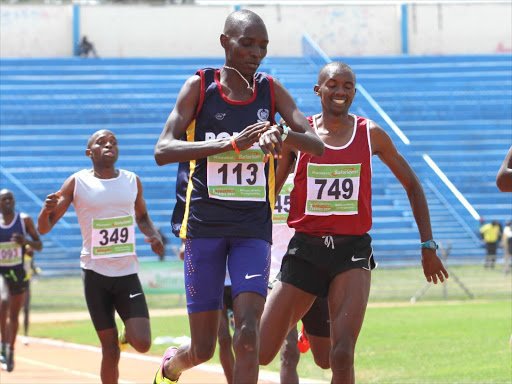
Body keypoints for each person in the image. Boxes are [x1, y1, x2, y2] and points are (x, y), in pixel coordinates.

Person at [152, 9, 324, 384]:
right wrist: (229, 143)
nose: (255, 52)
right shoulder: (199, 88)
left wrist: (280, 134)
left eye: (262, 46)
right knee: (203, 348)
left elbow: (316, 144)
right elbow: (162, 150)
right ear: (224, 42)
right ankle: (170, 366)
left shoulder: (271, 90)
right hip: (205, 227)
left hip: (251, 229)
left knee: (248, 335)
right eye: (247, 43)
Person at [259, 61, 449, 384]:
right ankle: (303, 321)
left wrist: (428, 245)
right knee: (261, 352)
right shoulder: (297, 135)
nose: (340, 91)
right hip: (305, 250)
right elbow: (269, 195)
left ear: (354, 93)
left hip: (351, 252)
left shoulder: (369, 133)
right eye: (332, 84)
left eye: (348, 86)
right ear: (318, 90)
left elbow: (413, 185)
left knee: (341, 355)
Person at [37, 130, 164, 384]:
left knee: (143, 343)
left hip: (126, 273)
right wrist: (45, 209)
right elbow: (44, 227)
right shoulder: (77, 182)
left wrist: (154, 235)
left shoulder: (132, 181)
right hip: (95, 275)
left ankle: (127, 334)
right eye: (102, 142)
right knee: (110, 350)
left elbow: (141, 217)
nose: (109, 145)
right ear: (89, 153)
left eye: (113, 142)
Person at [0, 189, 43, 372]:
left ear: (15, 201)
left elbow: (39, 245)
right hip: (1, 272)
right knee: (3, 301)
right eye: (4, 199)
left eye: (10, 198)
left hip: (18, 273)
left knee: (14, 315)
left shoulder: (24, 220)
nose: (8, 201)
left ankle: (10, 349)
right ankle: (2, 344)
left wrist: (25, 241)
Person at [21, 244, 41, 345]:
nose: (29, 249)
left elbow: (31, 267)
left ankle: (25, 335)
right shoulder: (18, 256)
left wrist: (35, 272)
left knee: (26, 309)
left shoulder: (29, 257)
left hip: (26, 284)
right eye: (27, 248)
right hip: (15, 284)